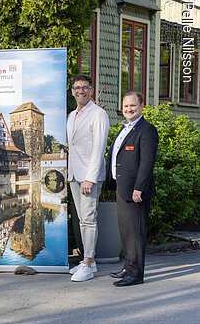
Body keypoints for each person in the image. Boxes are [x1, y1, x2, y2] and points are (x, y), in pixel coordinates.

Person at [106, 91, 158, 287]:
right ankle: (128, 266)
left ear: (141, 106)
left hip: (136, 191)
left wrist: (139, 188)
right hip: (122, 188)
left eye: (133, 106)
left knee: (135, 233)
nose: (128, 109)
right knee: (126, 231)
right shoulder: (125, 128)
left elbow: (147, 163)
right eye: (126, 106)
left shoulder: (147, 130)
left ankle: (136, 274)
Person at [67, 74, 110, 282]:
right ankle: (89, 262)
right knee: (83, 220)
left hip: (88, 176)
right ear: (72, 90)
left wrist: (90, 178)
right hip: (74, 174)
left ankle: (87, 261)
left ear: (91, 90)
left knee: (89, 219)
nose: (80, 91)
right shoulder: (72, 115)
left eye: (84, 87)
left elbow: (98, 148)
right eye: (76, 87)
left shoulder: (98, 114)